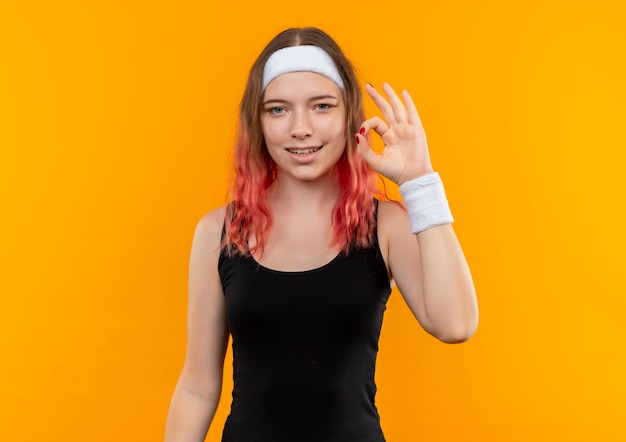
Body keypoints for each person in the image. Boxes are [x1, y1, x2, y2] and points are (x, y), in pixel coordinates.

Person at [164, 27, 478, 442]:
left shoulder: (386, 225)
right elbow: (197, 387)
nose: (300, 128)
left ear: (350, 114)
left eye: (321, 106)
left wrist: (420, 183)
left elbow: (455, 324)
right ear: (256, 122)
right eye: (277, 109)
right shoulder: (219, 233)